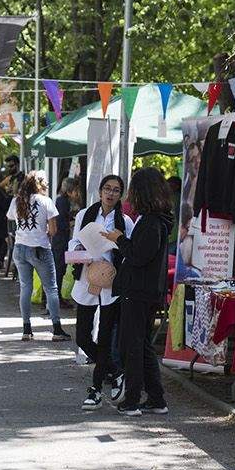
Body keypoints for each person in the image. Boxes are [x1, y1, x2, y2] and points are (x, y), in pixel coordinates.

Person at [102, 167, 172, 416]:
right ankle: (156, 398)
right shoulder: (156, 220)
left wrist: (119, 239)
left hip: (139, 290)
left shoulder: (152, 222)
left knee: (132, 346)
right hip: (146, 289)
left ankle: (132, 400)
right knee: (141, 346)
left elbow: (139, 255)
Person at [72, 174, 131, 410]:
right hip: (87, 277)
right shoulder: (84, 215)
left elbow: (129, 250)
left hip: (111, 283)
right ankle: (115, 372)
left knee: (105, 337)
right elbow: (74, 241)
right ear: (99, 191)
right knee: (83, 336)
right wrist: (78, 250)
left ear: (120, 195)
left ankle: (95, 389)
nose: (111, 193)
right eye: (107, 188)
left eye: (116, 190)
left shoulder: (124, 221)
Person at [11, 173, 69, 342]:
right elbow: (53, 231)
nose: (48, 185)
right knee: (51, 288)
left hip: (19, 248)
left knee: (25, 288)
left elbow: (11, 218)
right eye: (46, 182)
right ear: (39, 184)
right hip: (40, 248)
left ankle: (26, 329)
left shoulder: (16, 201)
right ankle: (57, 329)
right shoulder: (46, 201)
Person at [52, 176, 83, 302]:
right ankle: (55, 298)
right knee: (59, 269)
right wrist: (72, 223)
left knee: (60, 269)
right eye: (76, 190)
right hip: (60, 240)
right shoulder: (63, 202)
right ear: (70, 190)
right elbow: (60, 222)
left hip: (60, 239)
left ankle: (54, 297)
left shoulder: (62, 201)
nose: (77, 193)